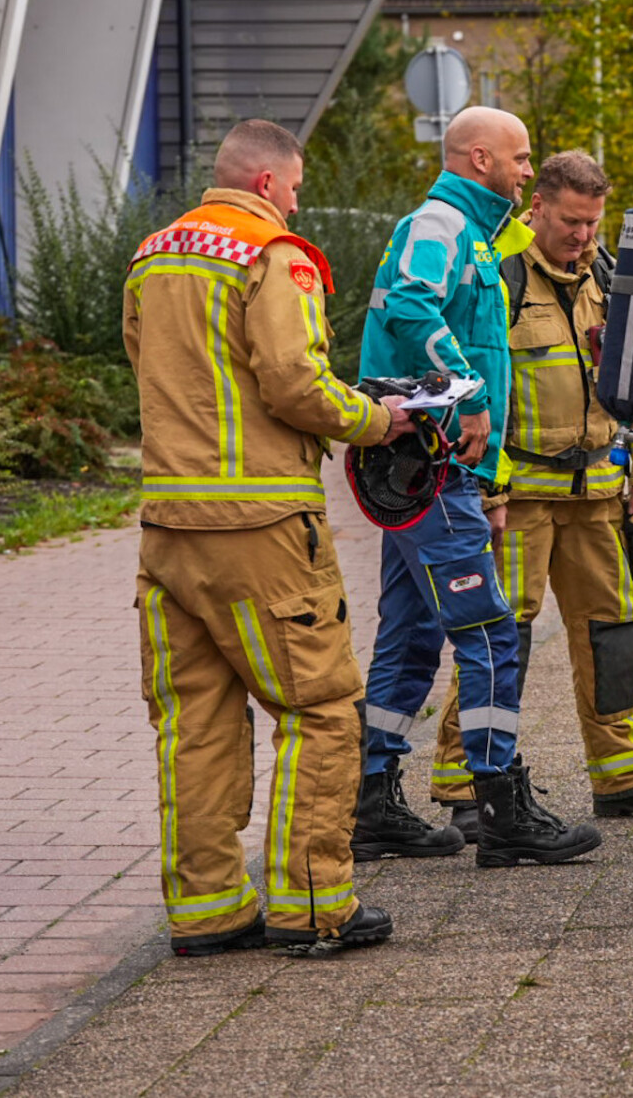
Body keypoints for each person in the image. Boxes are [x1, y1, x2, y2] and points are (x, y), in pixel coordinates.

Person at [126, 118, 413, 955]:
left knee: (196, 719)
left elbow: (144, 361)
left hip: (168, 526)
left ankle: (208, 913)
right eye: (293, 188)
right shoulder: (273, 255)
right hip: (262, 524)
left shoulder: (152, 255)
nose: (296, 203)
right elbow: (294, 381)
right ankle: (316, 902)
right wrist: (376, 419)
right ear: (264, 184)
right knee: (321, 708)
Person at [353, 106, 602, 868]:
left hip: (434, 468)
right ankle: (502, 806)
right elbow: (410, 305)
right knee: (490, 631)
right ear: (481, 156)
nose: (529, 171)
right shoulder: (439, 226)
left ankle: (373, 802)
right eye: (522, 158)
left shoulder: (476, 232)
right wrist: (470, 395)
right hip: (433, 463)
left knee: (411, 634)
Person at [427, 151, 633, 827]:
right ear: (537, 206)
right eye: (570, 221)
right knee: (499, 636)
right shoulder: (497, 275)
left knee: (614, 633)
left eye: (594, 223)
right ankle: (467, 779)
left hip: (597, 493)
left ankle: (626, 773)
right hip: (519, 500)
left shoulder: (611, 278)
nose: (583, 237)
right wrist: (486, 488)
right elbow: (473, 389)